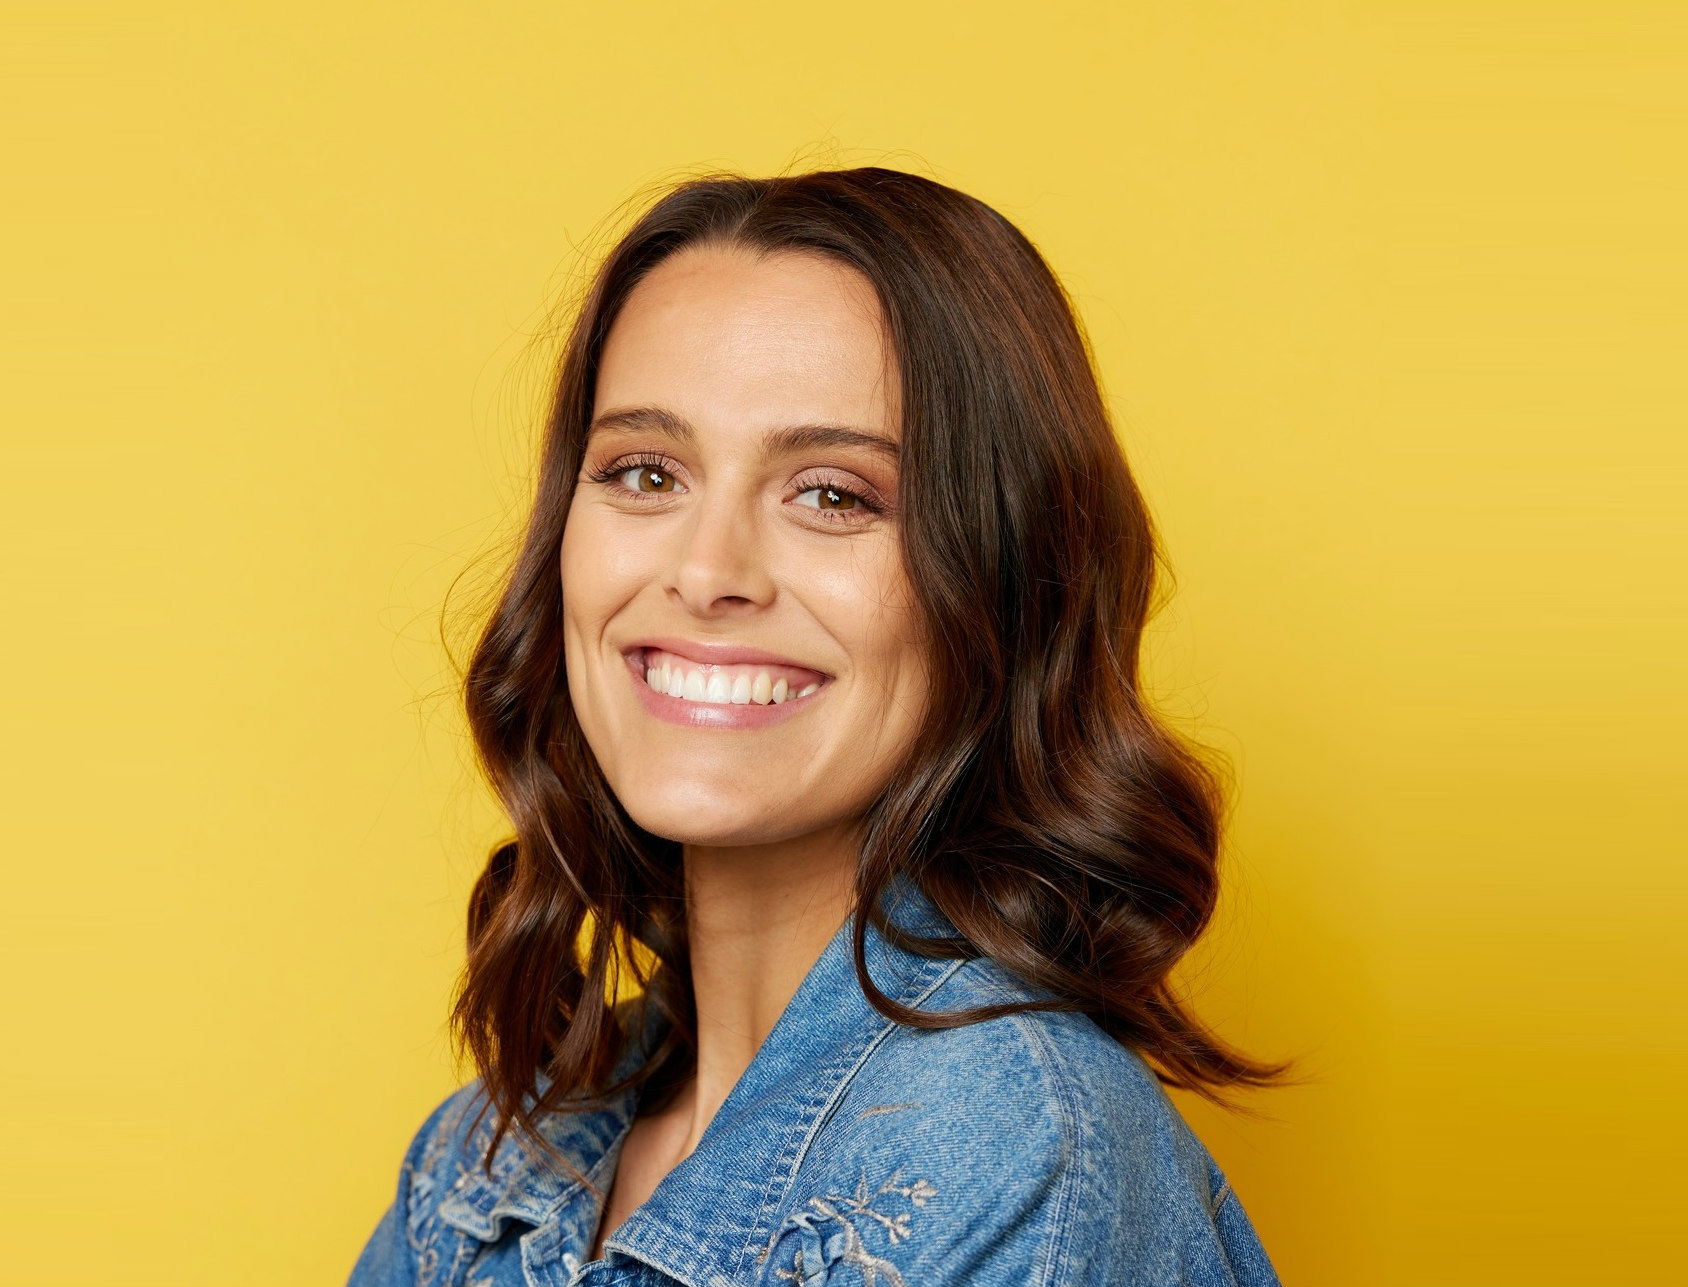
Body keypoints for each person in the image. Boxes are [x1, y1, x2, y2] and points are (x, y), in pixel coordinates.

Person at [346, 167, 1283, 1287]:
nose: (707, 572)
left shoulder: (1007, 1152)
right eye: (645, 472)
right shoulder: (486, 1157)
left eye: (832, 494)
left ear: (1000, 579)